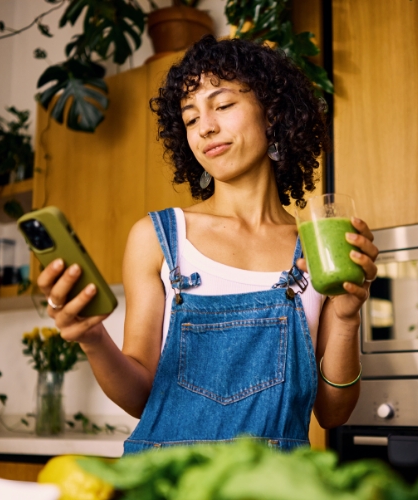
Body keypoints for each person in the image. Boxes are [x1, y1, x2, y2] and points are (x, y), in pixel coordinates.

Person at [36, 35, 378, 453]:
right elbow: (140, 395)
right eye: (190, 117)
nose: (206, 127)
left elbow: (333, 413)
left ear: (271, 112)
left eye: (223, 105)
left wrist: (345, 318)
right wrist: (92, 339)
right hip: (167, 481)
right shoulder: (158, 238)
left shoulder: (315, 250)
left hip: (276, 486)